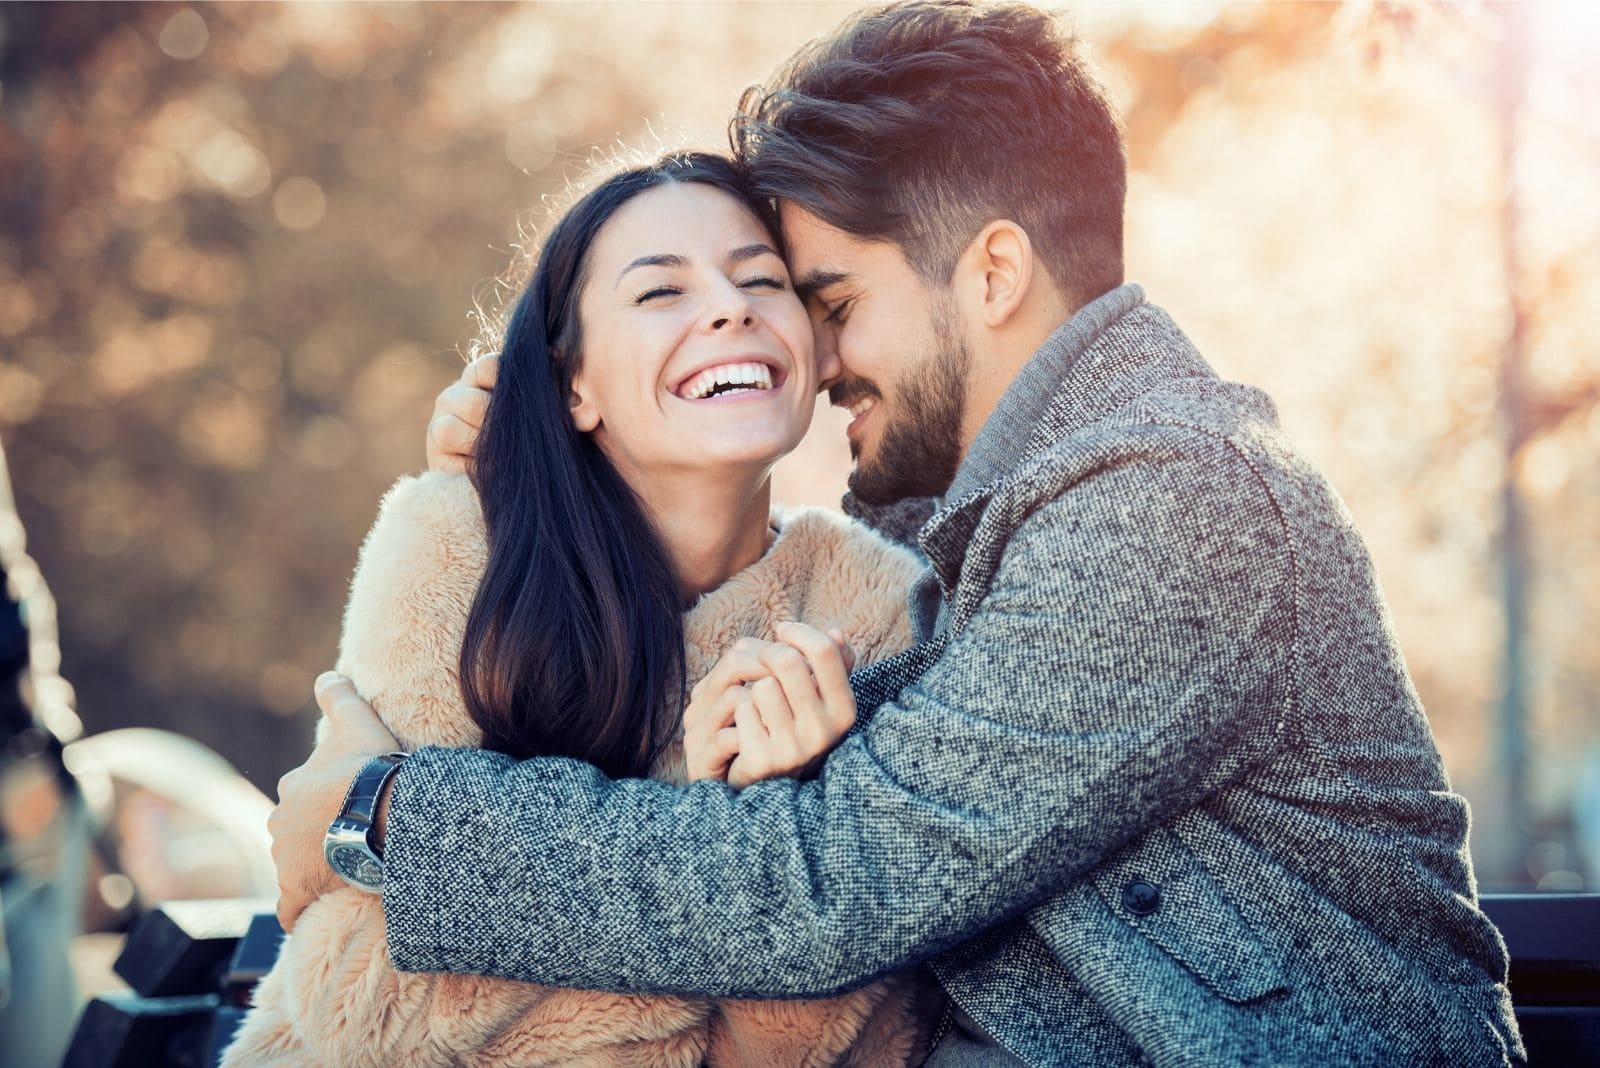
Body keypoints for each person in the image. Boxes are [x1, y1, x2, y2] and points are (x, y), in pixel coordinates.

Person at [273, 2, 1524, 1064]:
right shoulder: (1002, 531)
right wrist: (543, 471)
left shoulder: (1173, 505)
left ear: (988, 276)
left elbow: (824, 883)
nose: (811, 360)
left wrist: (397, 820)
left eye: (831, 302)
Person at [225, 152, 934, 1066]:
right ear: (575, 386)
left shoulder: (871, 612)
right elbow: (373, 1006)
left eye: (761, 279)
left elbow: (836, 1045)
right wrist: (749, 878)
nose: (730, 307)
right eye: (658, 293)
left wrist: (769, 817)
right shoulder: (458, 545)